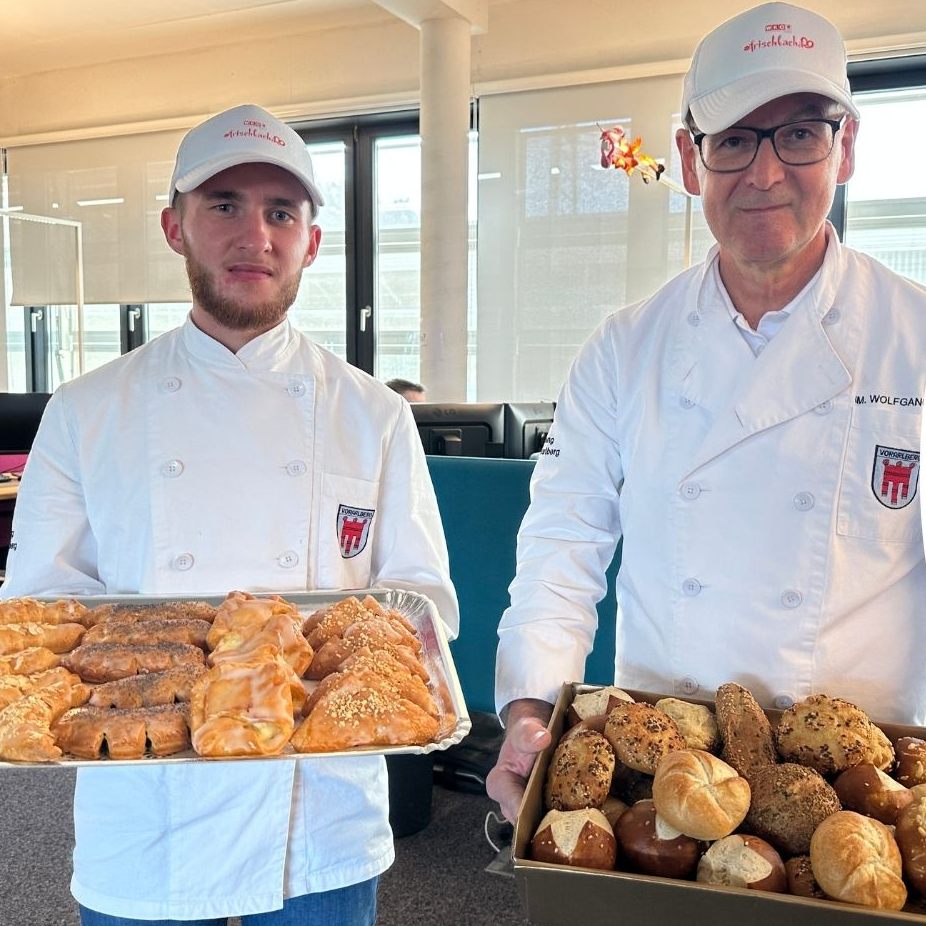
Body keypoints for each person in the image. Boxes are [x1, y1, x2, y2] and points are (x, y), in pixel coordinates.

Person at [1, 103, 459, 924]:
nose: (256, 235)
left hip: (318, 818)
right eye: (224, 206)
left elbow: (420, 599)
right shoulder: (84, 410)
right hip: (144, 807)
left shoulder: (373, 414)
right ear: (175, 227)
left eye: (281, 212)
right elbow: (33, 612)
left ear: (311, 242)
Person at [487, 1, 926, 824]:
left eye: (799, 133)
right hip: (668, 776)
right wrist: (531, 711)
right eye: (731, 141)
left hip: (860, 796)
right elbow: (562, 543)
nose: (763, 174)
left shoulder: (916, 338)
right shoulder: (623, 348)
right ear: (691, 162)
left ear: (847, 148)